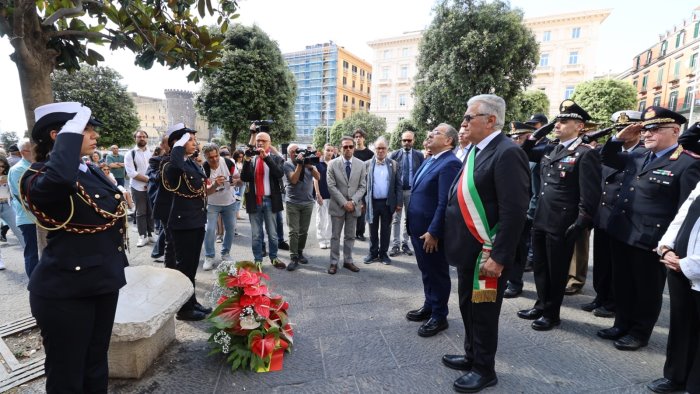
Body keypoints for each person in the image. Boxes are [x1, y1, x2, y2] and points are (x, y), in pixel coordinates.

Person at [20, 102, 128, 392]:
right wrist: (70, 134)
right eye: (85, 129)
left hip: (101, 280)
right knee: (67, 374)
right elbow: (59, 180)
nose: (95, 135)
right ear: (59, 135)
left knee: (95, 364)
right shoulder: (37, 176)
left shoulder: (88, 169)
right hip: (66, 291)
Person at [442, 94, 530, 393]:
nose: (464, 122)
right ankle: (471, 355)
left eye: (470, 117)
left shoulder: (507, 152)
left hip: (488, 253)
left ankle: (484, 369)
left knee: (483, 312)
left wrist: (500, 256)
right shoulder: (478, 151)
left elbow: (514, 210)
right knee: (468, 306)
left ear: (491, 120)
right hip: (469, 250)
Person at [598, 106, 700, 351]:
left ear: (675, 131)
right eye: (645, 129)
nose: (647, 134)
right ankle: (621, 324)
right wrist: (617, 139)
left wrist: (671, 245)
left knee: (646, 290)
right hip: (622, 231)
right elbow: (608, 158)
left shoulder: (686, 163)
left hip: (651, 239)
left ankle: (639, 332)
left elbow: (684, 210)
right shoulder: (638, 155)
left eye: (654, 129)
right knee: (622, 284)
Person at [517, 100, 601, 331]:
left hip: (563, 222)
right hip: (542, 217)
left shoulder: (585, 154)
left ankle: (552, 314)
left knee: (556, 270)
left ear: (579, 126)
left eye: (564, 121)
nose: (558, 125)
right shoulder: (553, 148)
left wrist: (582, 221)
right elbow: (524, 150)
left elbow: (590, 192)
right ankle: (541, 304)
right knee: (541, 266)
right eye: (557, 120)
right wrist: (541, 130)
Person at [581, 111, 644, 318]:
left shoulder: (642, 153)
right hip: (603, 214)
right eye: (618, 129)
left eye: (627, 129)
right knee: (601, 262)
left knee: (618, 266)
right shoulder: (609, 150)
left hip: (623, 218)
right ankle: (601, 296)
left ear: (638, 130)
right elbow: (603, 160)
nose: (622, 133)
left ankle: (613, 302)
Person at [404, 123, 461, 337]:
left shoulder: (450, 163)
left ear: (448, 141)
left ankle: (439, 315)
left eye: (436, 133)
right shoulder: (430, 159)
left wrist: (435, 232)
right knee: (426, 270)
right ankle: (429, 305)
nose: (430, 135)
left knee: (437, 272)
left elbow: (444, 202)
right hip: (418, 229)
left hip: (431, 233)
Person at [651, 181, 700, 393]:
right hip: (677, 262)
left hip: (690, 266)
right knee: (681, 324)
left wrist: (689, 265)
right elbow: (683, 215)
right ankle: (675, 375)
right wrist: (666, 247)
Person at [162, 125, 211, 321]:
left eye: (193, 140)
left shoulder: (191, 163)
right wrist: (178, 147)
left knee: (191, 266)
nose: (195, 143)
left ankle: (191, 301)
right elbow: (174, 170)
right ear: (178, 143)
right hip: (182, 223)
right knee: (184, 267)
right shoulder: (169, 164)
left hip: (196, 220)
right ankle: (184, 309)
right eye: (189, 140)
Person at [240, 126, 286, 269]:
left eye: (263, 141)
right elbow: (244, 177)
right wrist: (246, 160)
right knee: (256, 234)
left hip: (270, 201)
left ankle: (274, 257)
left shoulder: (276, 158)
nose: (259, 143)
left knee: (272, 234)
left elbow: (279, 174)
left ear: (269, 143)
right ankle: (258, 259)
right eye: (258, 140)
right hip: (255, 200)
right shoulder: (251, 159)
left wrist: (266, 159)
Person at [503, 121, 537, 299]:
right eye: (513, 137)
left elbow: (536, 189)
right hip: (510, 209)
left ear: (529, 137)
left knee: (519, 249)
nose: (515, 140)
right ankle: (508, 280)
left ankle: (515, 283)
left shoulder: (533, 158)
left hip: (524, 212)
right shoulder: (513, 155)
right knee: (509, 247)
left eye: (519, 137)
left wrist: (529, 213)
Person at [326, 136, 367, 274]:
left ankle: (348, 261)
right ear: (340, 148)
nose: (348, 149)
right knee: (335, 236)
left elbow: (363, 186)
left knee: (350, 236)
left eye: (350, 146)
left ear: (354, 148)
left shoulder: (361, 164)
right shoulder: (332, 164)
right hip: (338, 206)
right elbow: (331, 186)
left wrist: (353, 202)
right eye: (345, 147)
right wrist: (344, 203)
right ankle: (333, 263)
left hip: (354, 206)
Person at [363, 137, 402, 265]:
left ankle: (383, 254)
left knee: (386, 230)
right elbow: (363, 185)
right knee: (372, 230)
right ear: (374, 149)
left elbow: (398, 186)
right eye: (378, 148)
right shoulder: (367, 164)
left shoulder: (394, 165)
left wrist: (399, 203)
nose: (380, 151)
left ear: (387, 149)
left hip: (387, 203)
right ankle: (373, 253)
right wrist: (363, 202)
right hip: (372, 203)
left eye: (383, 148)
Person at [202, 143, 240, 270]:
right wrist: (214, 185)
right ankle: (209, 256)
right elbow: (205, 192)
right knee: (210, 230)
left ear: (219, 153)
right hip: (212, 203)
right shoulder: (204, 168)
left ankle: (225, 253)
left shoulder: (228, 163)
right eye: (210, 157)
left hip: (229, 202)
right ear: (205, 157)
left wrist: (236, 181)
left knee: (231, 228)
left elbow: (239, 179)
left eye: (216, 155)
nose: (214, 159)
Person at [283, 144, 320, 271]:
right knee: (293, 231)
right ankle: (293, 257)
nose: (295, 153)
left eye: (297, 151)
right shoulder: (287, 164)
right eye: (292, 152)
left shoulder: (308, 161)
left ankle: (300, 252)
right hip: (292, 202)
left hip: (308, 202)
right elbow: (293, 180)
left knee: (303, 231)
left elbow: (318, 177)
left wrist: (310, 166)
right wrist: (299, 164)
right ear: (289, 154)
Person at [389, 130, 424, 257]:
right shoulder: (394, 155)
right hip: (397, 192)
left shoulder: (419, 155)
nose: (407, 143)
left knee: (409, 219)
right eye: (404, 140)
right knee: (396, 219)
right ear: (401, 141)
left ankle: (405, 243)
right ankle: (395, 244)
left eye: (409, 140)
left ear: (413, 141)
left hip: (412, 191)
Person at [7, 140, 36, 276]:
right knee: (33, 254)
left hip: (37, 218)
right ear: (24, 152)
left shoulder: (33, 166)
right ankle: (35, 287)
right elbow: (24, 197)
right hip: (29, 219)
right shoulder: (18, 169)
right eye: (34, 149)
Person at [148, 133, 175, 268]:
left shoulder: (184, 160)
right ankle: (169, 267)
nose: (172, 147)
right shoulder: (156, 160)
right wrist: (170, 161)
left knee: (172, 235)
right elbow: (156, 178)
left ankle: (158, 253)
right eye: (169, 144)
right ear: (163, 145)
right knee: (170, 237)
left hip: (181, 206)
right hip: (165, 204)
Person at [125, 130, 154, 247]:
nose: (142, 138)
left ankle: (151, 234)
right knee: (141, 212)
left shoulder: (150, 152)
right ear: (135, 139)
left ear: (146, 138)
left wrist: (152, 181)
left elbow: (154, 168)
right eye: (139, 136)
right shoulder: (130, 154)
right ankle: (142, 236)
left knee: (151, 211)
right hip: (137, 187)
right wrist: (149, 180)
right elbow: (131, 173)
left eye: (144, 136)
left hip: (151, 187)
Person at [352, 128, 374, 242]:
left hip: (365, 185)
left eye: (360, 136)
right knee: (351, 209)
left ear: (364, 138)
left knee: (362, 210)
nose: (358, 138)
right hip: (352, 184)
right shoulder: (352, 151)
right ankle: (351, 232)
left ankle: (360, 233)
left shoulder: (370, 153)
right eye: (356, 137)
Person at [314, 144, 334, 249]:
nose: (329, 152)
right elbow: (315, 180)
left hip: (333, 196)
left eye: (331, 150)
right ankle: (321, 240)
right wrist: (317, 194)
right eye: (327, 150)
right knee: (320, 219)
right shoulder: (318, 164)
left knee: (330, 219)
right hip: (321, 195)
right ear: (323, 151)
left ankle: (328, 239)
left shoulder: (335, 164)